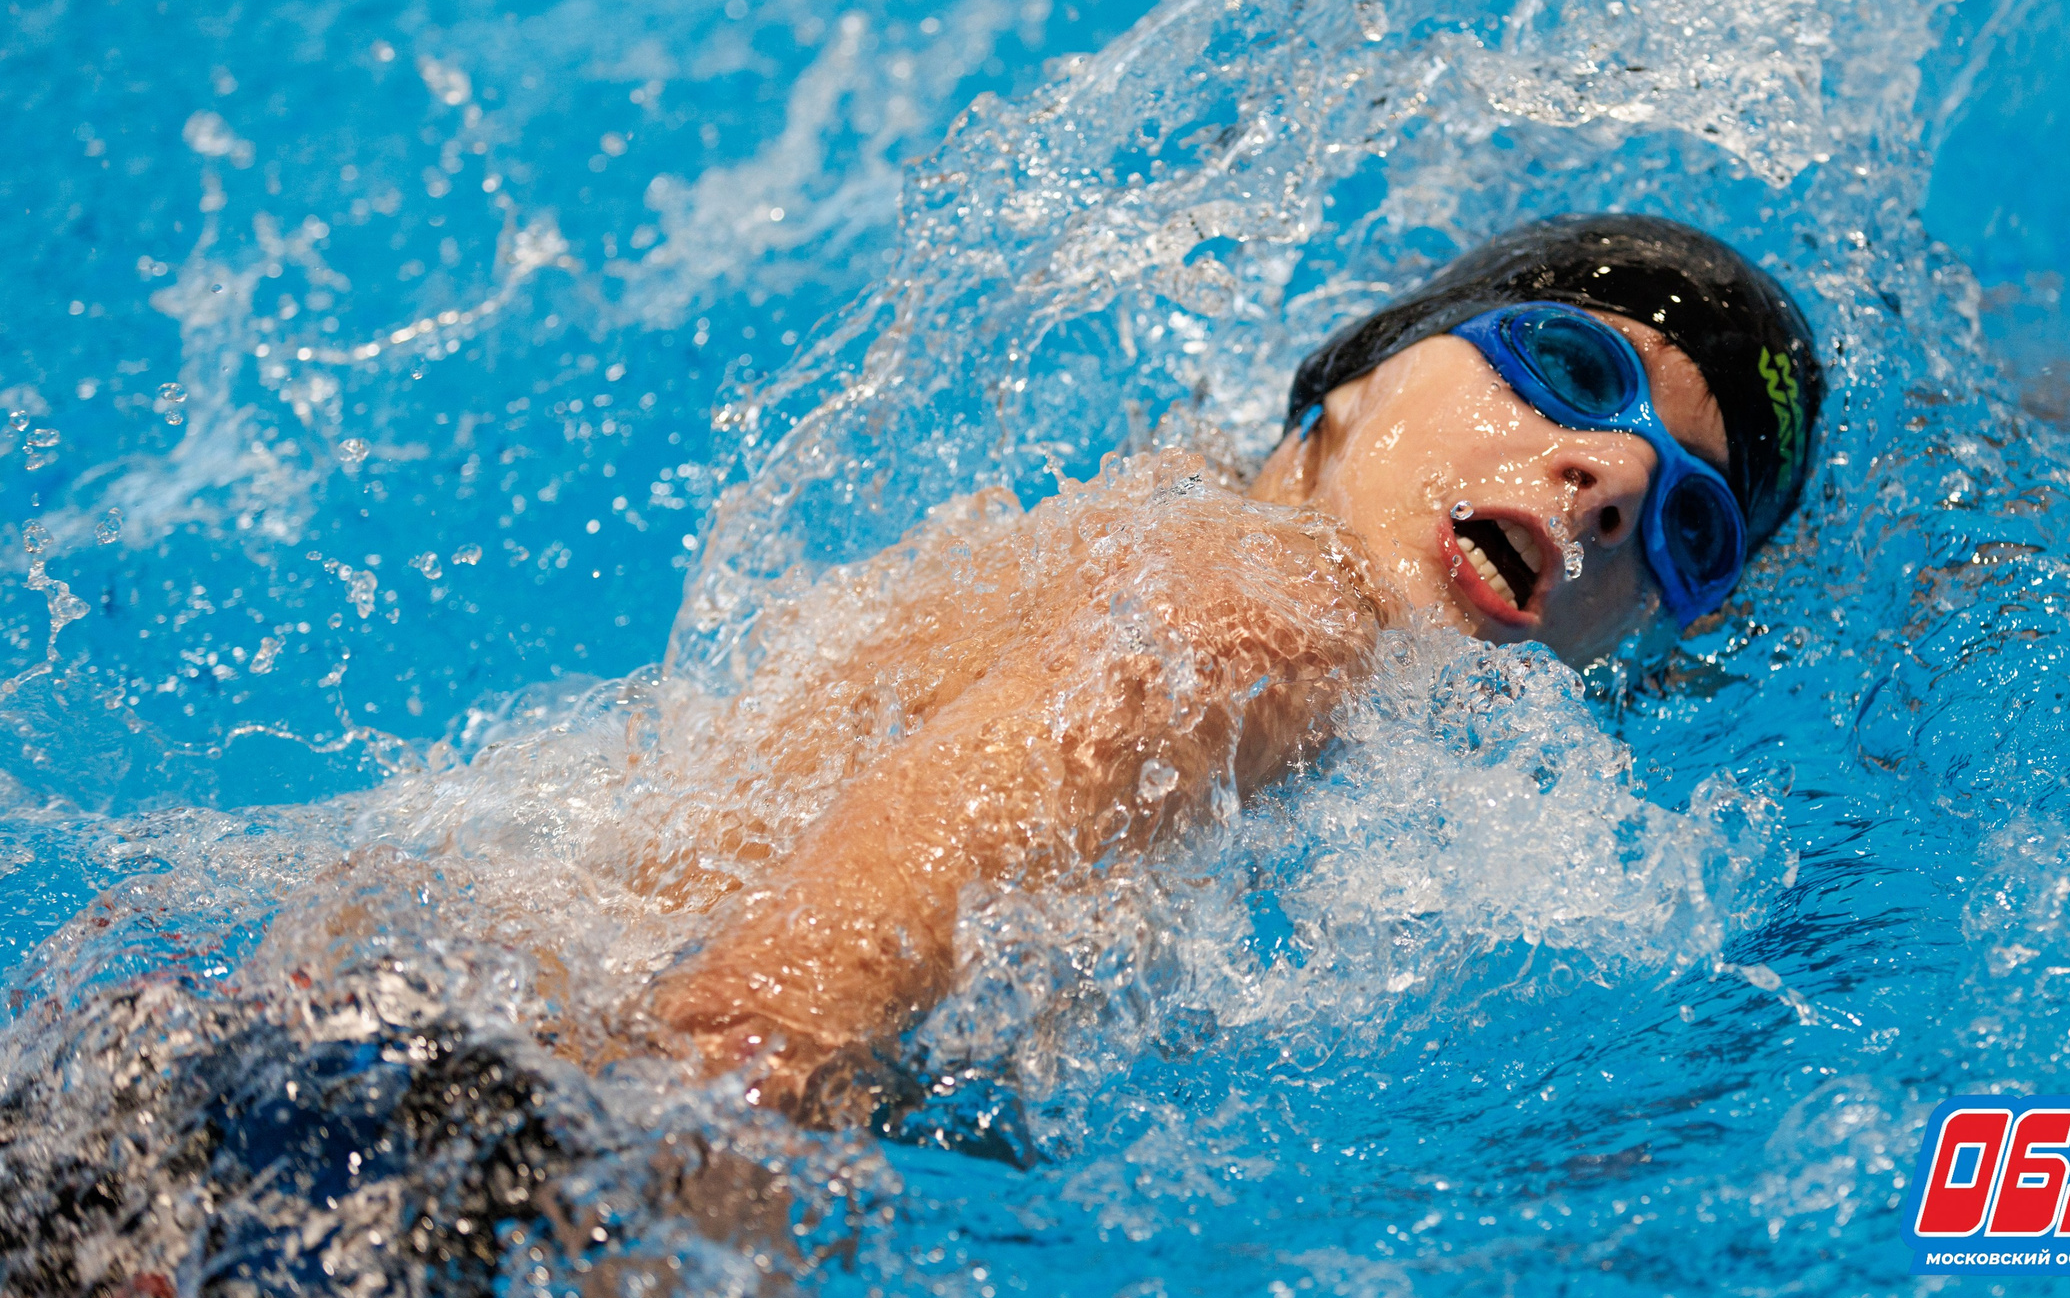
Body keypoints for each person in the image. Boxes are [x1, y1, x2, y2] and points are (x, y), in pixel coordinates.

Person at [648, 212, 1825, 1121]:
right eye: (1568, 368)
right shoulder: (1274, 613)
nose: (1614, 480)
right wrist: (711, 1153)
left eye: (1693, 526)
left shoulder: (1131, 527)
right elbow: (760, 1010)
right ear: (1361, 372)